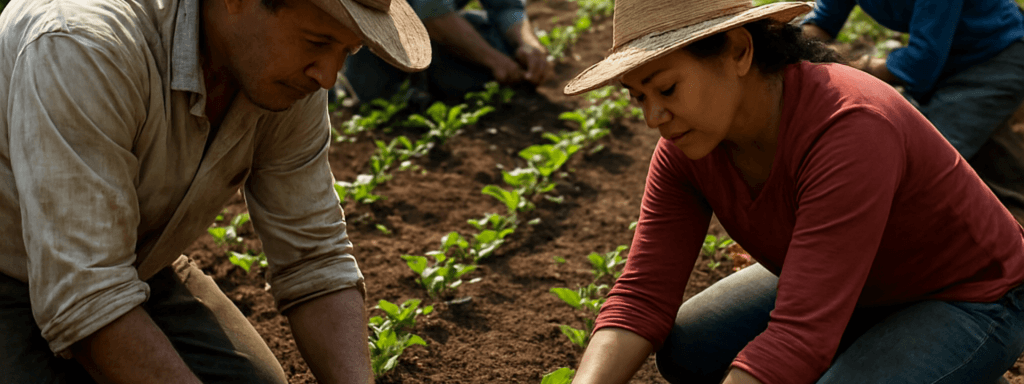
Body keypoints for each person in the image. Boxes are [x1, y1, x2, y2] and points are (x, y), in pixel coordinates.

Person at [562, 0, 1024, 383]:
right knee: (689, 348)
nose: (653, 117)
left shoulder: (848, 126)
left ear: (739, 52)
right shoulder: (688, 147)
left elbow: (799, 334)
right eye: (639, 97)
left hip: (969, 295)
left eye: (667, 88)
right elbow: (643, 295)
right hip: (860, 283)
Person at [0, 0, 429, 381]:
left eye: (345, 52)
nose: (328, 76)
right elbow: (85, 294)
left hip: (135, 260)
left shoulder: (287, 77)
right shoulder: (83, 46)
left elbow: (313, 255)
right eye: (317, 41)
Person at [802, 0, 1024, 222]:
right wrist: (785, 41)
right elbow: (823, 22)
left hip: (994, 59)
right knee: (990, 172)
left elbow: (922, 60)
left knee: (925, 166)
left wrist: (854, 66)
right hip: (948, 65)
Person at [341, 0, 551, 103]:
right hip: (380, 44)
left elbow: (506, 7)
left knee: (501, 49)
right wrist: (496, 61)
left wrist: (528, 44)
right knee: (379, 95)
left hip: (436, 31)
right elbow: (433, 16)